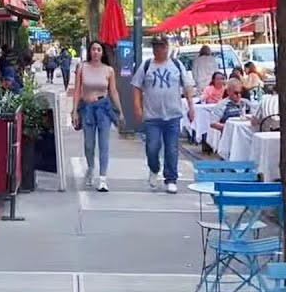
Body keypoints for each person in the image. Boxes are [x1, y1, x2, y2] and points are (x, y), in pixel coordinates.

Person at [132, 35, 194, 194]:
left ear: (167, 47)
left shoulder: (176, 65)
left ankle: (171, 178)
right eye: (155, 46)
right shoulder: (146, 66)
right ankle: (154, 169)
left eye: (161, 46)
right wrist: (137, 107)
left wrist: (191, 107)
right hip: (153, 116)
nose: (158, 49)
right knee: (152, 147)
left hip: (173, 115)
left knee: (172, 148)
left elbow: (187, 86)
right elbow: (136, 86)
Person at [72, 41, 124, 192]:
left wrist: (120, 112)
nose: (96, 52)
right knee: (89, 144)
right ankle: (90, 167)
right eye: (93, 49)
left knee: (104, 144)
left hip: (103, 108)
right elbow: (77, 90)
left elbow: (113, 91)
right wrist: (74, 110)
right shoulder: (82, 67)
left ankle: (102, 178)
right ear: (89, 51)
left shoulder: (108, 70)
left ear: (102, 53)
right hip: (87, 108)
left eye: (99, 49)